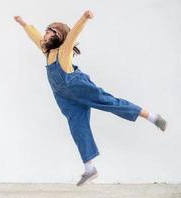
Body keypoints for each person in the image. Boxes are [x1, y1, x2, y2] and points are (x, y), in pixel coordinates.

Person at [14, 10, 167, 186]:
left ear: (58, 35)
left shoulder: (64, 51)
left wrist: (84, 18)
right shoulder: (46, 51)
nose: (45, 34)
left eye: (49, 31)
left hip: (80, 88)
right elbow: (34, 35)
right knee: (77, 127)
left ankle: (153, 117)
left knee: (110, 103)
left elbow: (73, 35)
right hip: (65, 98)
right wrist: (23, 23)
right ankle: (90, 169)